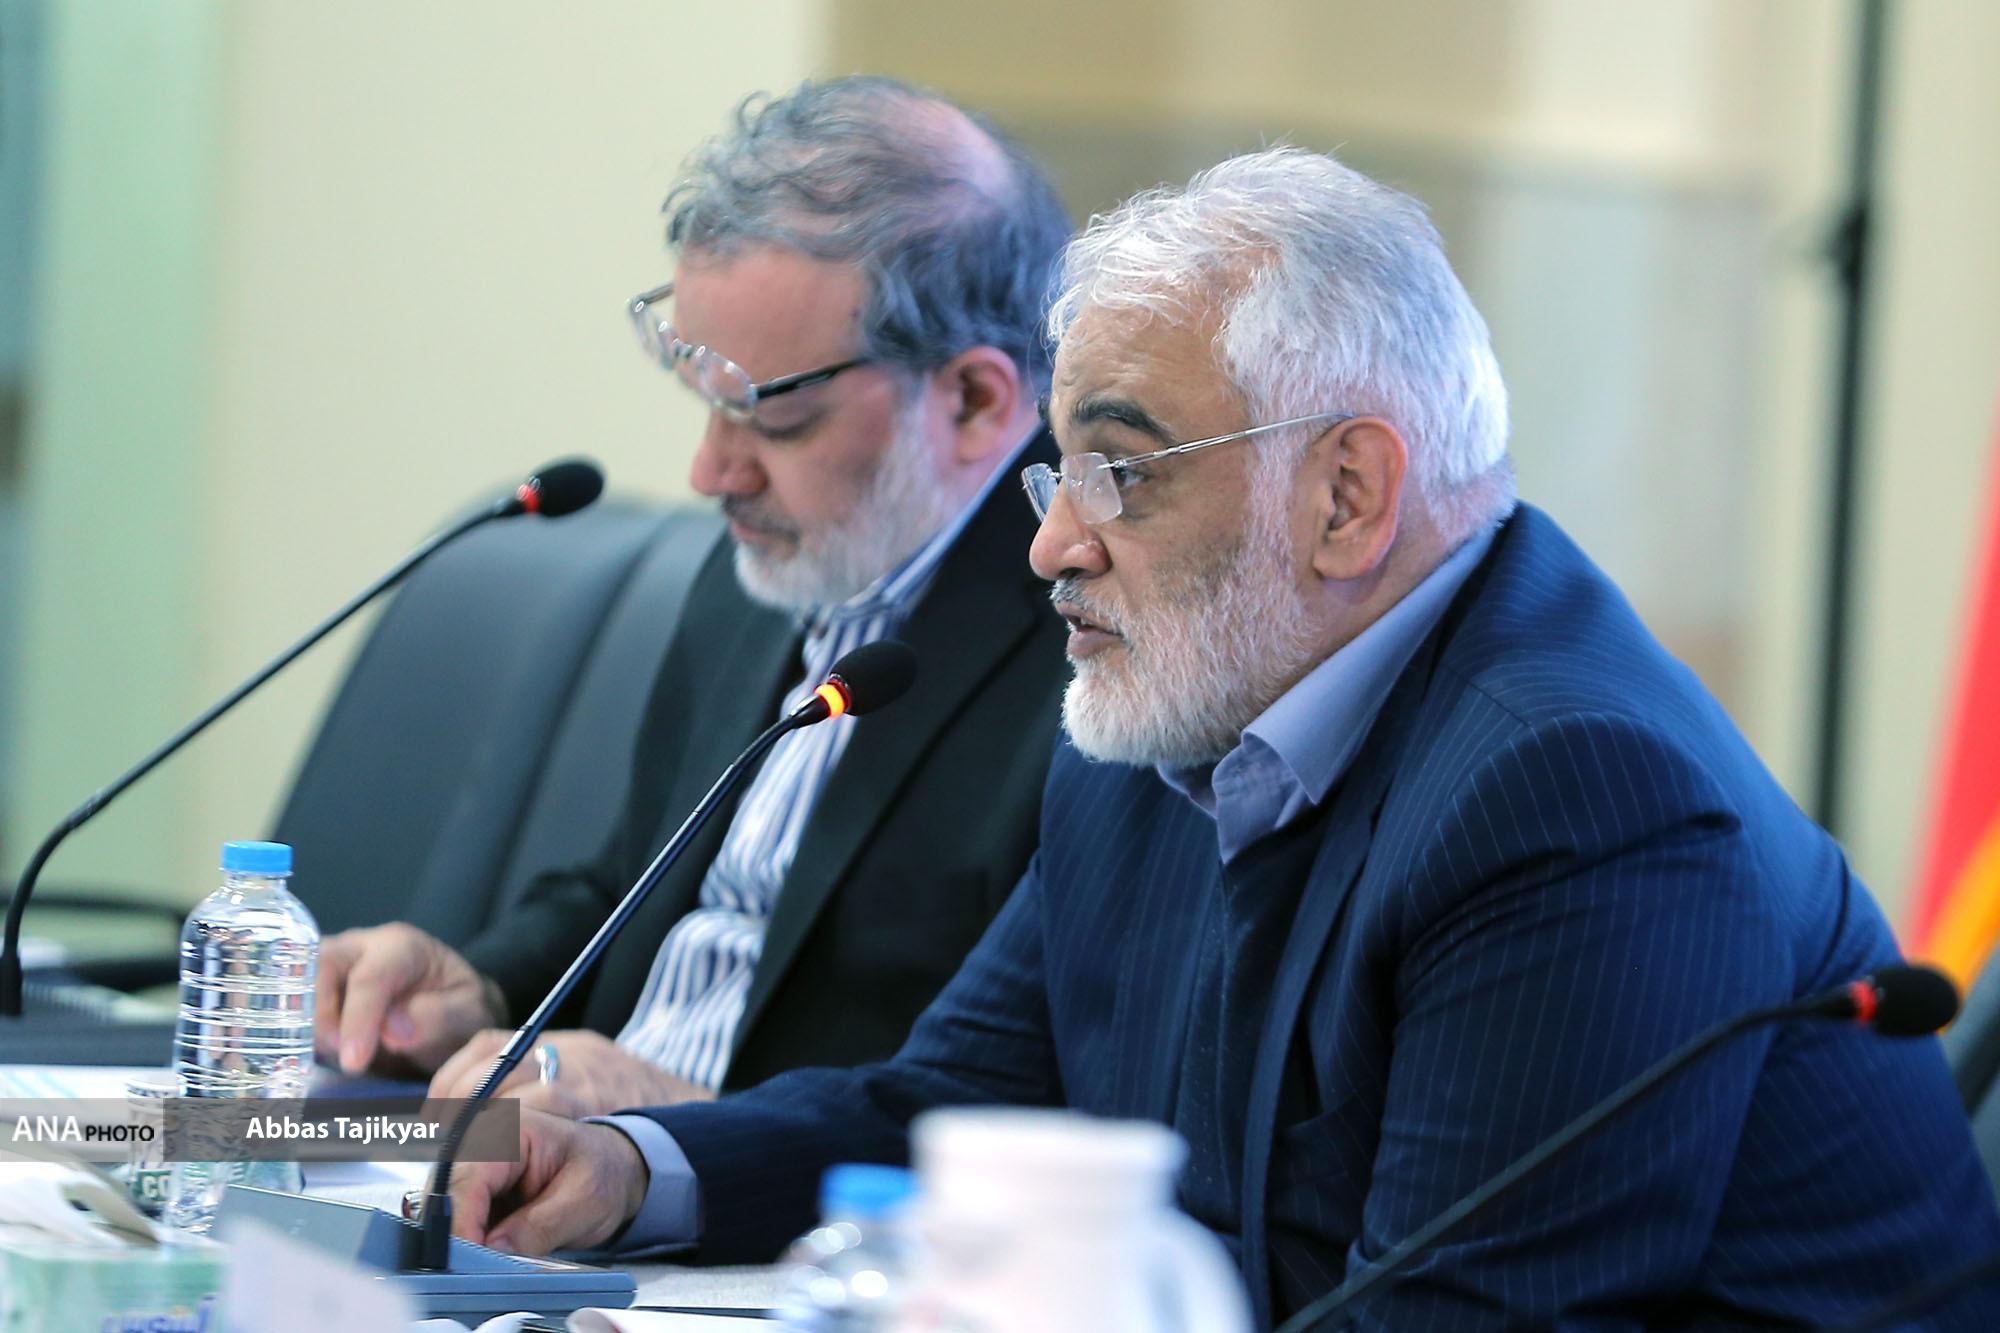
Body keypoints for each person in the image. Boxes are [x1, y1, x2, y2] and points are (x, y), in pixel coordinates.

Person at [445, 148, 2000, 1328]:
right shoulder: (1169, 703)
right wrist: (633, 1170)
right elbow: (957, 1113)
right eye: (1058, 474)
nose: (1051, 547)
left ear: (1347, 495)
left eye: (1121, 474)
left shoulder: (1579, 791)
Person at [312, 76, 1073, 1116]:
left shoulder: (1094, 647)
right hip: (559, 1158)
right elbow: (640, 878)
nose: (711, 472)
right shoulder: (767, 560)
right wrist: (479, 987)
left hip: (763, 1202)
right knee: (155, 1144)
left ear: (975, 400)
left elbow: (1023, 1094)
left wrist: (682, 1135)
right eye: (708, 406)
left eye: (772, 419)